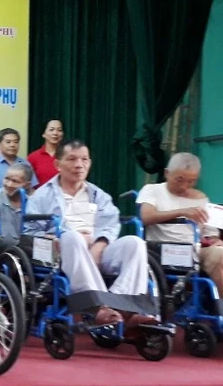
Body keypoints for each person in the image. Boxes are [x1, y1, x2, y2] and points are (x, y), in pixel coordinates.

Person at [25, 139, 155, 326]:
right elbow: (30, 232)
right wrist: (51, 239)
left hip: (96, 250)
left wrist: (99, 245)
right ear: (57, 164)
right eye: (72, 159)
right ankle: (99, 306)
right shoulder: (41, 196)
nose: (79, 165)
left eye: (84, 159)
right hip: (59, 252)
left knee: (135, 243)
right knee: (72, 237)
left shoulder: (98, 195)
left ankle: (123, 306)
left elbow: (110, 224)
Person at [138, 153, 221, 292]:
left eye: (191, 181)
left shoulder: (201, 198)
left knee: (220, 254)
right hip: (164, 249)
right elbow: (146, 217)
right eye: (179, 180)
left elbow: (209, 231)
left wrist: (215, 239)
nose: (184, 186)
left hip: (195, 249)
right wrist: (182, 212)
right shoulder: (152, 190)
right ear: (167, 173)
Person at [0, 163, 34, 248]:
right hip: (0, 252)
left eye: (15, 181)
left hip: (25, 251)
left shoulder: (31, 202)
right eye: (6, 179)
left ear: (27, 185)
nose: (9, 184)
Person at [27, 119, 64, 188]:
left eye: (59, 130)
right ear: (43, 134)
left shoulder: (67, 155)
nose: (55, 133)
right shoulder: (33, 157)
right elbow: (28, 183)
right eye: (51, 129)